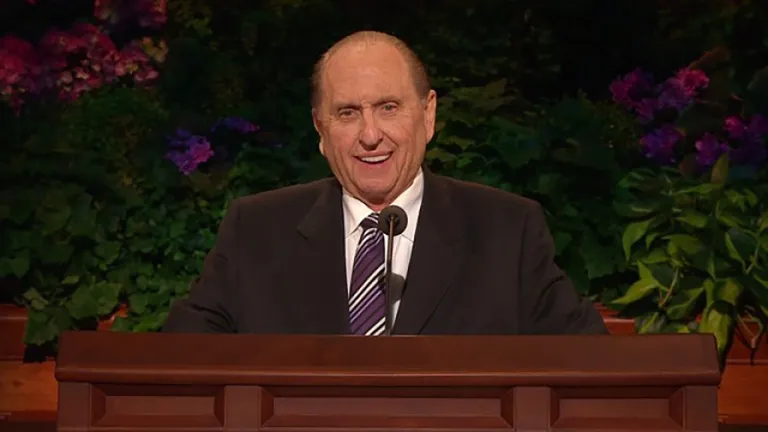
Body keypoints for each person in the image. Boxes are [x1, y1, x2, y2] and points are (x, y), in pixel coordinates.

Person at [162, 30, 608, 336]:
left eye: (389, 108)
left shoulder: (508, 231)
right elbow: (180, 362)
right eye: (347, 113)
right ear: (321, 129)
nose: (371, 135)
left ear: (428, 115)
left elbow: (588, 366)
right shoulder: (256, 230)